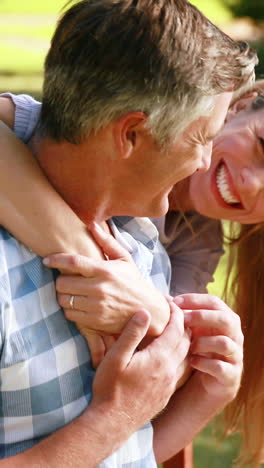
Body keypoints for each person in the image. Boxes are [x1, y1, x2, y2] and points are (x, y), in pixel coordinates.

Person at [0, 0, 256, 465]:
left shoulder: (140, 240)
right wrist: (114, 417)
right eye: (201, 138)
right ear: (131, 134)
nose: (203, 160)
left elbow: (125, 455)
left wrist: (204, 392)